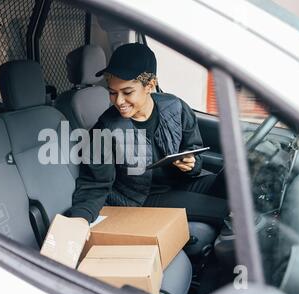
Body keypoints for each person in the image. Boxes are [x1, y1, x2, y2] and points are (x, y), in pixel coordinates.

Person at [64, 43, 227, 227]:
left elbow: (193, 149)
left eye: (127, 92)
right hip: (143, 197)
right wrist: (79, 220)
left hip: (182, 183)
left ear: (150, 85)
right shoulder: (106, 129)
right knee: (229, 212)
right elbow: (95, 184)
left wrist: (192, 164)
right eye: (112, 93)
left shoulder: (176, 107)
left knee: (235, 186)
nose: (119, 101)